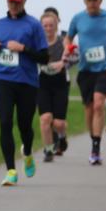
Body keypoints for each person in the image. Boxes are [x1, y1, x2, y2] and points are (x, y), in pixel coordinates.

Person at [0, 0, 49, 185]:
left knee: (24, 126)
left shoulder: (33, 25)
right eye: (10, 1)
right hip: (3, 81)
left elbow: (44, 57)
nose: (13, 5)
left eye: (17, 1)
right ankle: (11, 170)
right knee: (5, 122)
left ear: (24, 1)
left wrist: (23, 48)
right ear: (6, 2)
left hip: (26, 82)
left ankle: (28, 152)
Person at [66, 0, 106, 165]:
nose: (92, 3)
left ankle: (96, 148)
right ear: (85, 1)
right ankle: (93, 138)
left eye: (95, 0)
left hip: (105, 66)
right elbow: (68, 37)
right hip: (85, 69)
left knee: (99, 104)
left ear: (100, 1)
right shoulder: (78, 18)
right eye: (89, 0)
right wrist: (69, 47)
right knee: (89, 108)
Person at [37, 10, 70, 162]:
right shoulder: (37, 43)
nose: (48, 28)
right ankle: (49, 150)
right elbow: (30, 57)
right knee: (45, 118)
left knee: (58, 123)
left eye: (51, 25)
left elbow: (75, 57)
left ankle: (62, 136)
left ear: (56, 26)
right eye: (45, 26)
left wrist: (63, 63)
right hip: (42, 82)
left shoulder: (63, 41)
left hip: (60, 83)